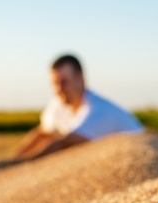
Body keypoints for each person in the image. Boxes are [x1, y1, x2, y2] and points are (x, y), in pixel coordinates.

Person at [13, 54, 144, 160]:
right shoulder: (59, 103)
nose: (59, 89)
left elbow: (65, 143)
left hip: (139, 153)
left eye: (64, 82)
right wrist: (15, 158)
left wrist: (25, 163)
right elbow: (42, 133)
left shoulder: (98, 110)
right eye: (55, 83)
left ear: (80, 79)